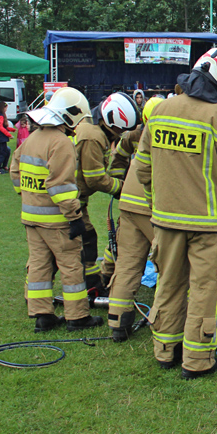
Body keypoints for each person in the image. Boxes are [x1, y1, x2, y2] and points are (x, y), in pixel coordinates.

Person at [135, 48, 217, 378]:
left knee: (167, 286)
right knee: (206, 292)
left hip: (166, 223)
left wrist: (160, 201)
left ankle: (165, 351)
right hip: (210, 228)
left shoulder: (161, 111)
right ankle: (196, 362)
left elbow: (142, 170)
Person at [9, 87, 103, 333]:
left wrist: (27, 194)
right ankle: (78, 316)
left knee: (39, 265)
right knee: (71, 265)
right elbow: (60, 185)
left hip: (31, 218)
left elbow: (15, 170)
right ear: (70, 115)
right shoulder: (61, 143)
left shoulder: (32, 138)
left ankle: (42, 315)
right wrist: (75, 216)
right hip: (57, 220)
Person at [106, 97, 163, 342]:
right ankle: (164, 324)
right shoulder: (165, 136)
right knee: (169, 266)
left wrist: (120, 186)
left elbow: (116, 161)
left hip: (128, 203)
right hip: (151, 207)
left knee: (128, 264)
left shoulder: (134, 136)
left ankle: (118, 323)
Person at [74, 91, 141, 295]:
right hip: (70, 200)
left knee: (87, 239)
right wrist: (123, 189)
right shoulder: (93, 136)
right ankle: (92, 285)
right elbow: (94, 178)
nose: (119, 136)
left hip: (75, 199)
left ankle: (94, 283)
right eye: (119, 131)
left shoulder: (93, 129)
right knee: (82, 241)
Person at [0, 101, 16, 174]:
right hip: (0, 137)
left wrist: (11, 129)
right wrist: (9, 135)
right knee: (2, 152)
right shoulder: (1, 116)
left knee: (0, 152)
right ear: (3, 108)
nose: (6, 110)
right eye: (6, 108)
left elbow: (2, 126)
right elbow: (0, 127)